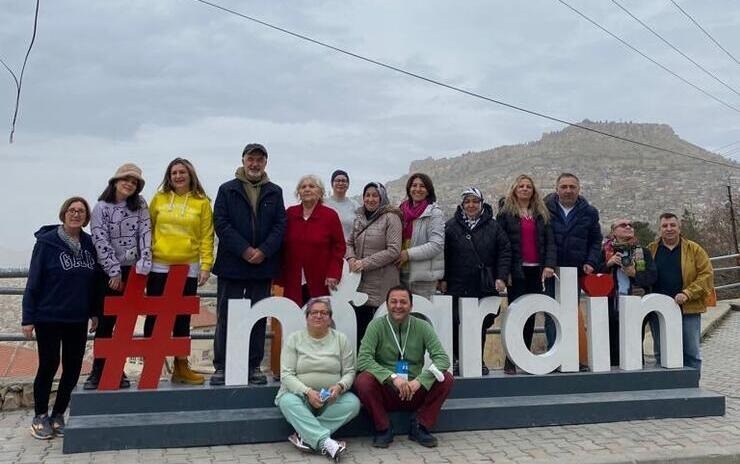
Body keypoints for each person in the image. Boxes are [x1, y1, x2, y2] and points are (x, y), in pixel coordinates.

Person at [22, 197, 99, 439]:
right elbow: (34, 280)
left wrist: (94, 311)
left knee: (73, 368)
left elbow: (95, 282)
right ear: (64, 213)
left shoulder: (89, 244)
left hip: (77, 318)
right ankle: (40, 416)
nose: (76, 214)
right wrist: (28, 317)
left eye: (81, 211)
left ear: (86, 217)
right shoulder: (47, 243)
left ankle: (58, 414)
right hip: (49, 316)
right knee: (49, 365)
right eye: (72, 210)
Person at [211, 144, 286, 386]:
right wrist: (244, 249)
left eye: (259, 160)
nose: (255, 164)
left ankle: (253, 366)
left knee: (258, 317)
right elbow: (221, 223)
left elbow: (280, 226)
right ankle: (222, 366)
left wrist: (263, 251)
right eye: (250, 159)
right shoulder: (227, 190)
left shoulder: (275, 191)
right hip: (232, 263)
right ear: (243, 160)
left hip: (262, 266)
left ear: (266, 163)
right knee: (225, 315)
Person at [355, 285, 453, 449]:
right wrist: (393, 378)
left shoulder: (423, 327)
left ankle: (420, 426)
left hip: (415, 390)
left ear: (411, 305)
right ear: (386, 305)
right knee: (363, 380)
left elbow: (442, 359)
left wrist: (420, 381)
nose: (398, 306)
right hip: (387, 390)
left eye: (403, 302)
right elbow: (363, 359)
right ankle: (384, 428)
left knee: (446, 379)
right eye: (393, 302)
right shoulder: (376, 326)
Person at [144, 157, 214, 385]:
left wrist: (206, 266)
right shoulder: (159, 199)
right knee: (154, 316)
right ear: (168, 176)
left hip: (188, 266)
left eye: (182, 172)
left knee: (182, 318)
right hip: (159, 265)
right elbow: (147, 229)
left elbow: (207, 236)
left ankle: (181, 366)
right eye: (174, 172)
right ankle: (151, 365)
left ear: (190, 174)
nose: (178, 176)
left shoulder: (202, 202)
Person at [84, 163, 152, 390]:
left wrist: (145, 262)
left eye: (134, 182)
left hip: (134, 270)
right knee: (105, 323)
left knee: (125, 324)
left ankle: (117, 368)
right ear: (115, 181)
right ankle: (98, 370)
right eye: (126, 179)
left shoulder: (140, 205)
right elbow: (100, 239)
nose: (129, 184)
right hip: (108, 271)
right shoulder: (101, 207)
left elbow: (145, 232)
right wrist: (113, 270)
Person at [275, 297, 360, 461]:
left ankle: (305, 436)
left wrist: (340, 387)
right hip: (301, 396)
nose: (319, 316)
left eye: (324, 313)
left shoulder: (341, 339)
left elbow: (350, 371)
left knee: (353, 403)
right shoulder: (295, 339)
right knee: (287, 401)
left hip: (331, 398)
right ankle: (326, 442)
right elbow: (286, 374)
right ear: (307, 317)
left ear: (330, 318)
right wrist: (307, 392)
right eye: (314, 312)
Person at [440, 187, 510, 376]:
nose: (471, 205)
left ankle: (476, 359)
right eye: (467, 202)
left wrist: (501, 277)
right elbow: (443, 255)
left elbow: (504, 252)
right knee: (456, 322)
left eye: (475, 201)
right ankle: (456, 359)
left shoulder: (494, 227)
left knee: (481, 324)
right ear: (462, 205)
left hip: (484, 284)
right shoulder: (450, 226)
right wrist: (443, 279)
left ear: (481, 203)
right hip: (457, 284)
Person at [497, 175, 556, 374]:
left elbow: (550, 242)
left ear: (533, 190)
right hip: (517, 272)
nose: (524, 189)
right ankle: (510, 359)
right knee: (514, 315)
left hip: (536, 272)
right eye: (521, 186)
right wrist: (506, 273)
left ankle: (525, 356)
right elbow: (503, 246)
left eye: (528, 186)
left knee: (530, 315)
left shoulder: (541, 213)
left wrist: (549, 265)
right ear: (514, 189)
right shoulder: (506, 213)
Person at [647, 212, 713, 372]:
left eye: (672, 225)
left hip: (688, 308)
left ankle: (693, 389)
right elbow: (643, 274)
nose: (669, 229)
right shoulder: (651, 249)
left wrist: (688, 293)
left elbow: (707, 275)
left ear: (679, 228)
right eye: (665, 226)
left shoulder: (694, 249)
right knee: (661, 354)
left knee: (691, 353)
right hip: (659, 311)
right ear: (659, 229)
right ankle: (665, 390)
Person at [544, 173, 602, 348]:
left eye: (572, 187)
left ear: (579, 189)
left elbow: (596, 240)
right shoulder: (544, 209)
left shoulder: (590, 212)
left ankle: (569, 353)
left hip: (574, 272)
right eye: (564, 187)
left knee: (571, 313)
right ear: (556, 189)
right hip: (550, 271)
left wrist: (591, 262)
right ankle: (553, 352)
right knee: (550, 313)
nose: (568, 190)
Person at [346, 182, 402, 343]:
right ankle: (362, 367)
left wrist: (364, 263)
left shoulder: (391, 218)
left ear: (382, 197)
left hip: (382, 283)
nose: (370, 199)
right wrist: (351, 258)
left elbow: (393, 250)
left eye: (374, 195)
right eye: (367, 195)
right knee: (360, 330)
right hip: (359, 284)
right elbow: (349, 243)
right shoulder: (359, 218)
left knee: (380, 331)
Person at [279, 175, 346, 306]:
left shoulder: (330, 215)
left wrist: (334, 272)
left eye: (312, 186)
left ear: (320, 191)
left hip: (320, 278)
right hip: (292, 277)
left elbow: (339, 247)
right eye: (303, 187)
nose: (307, 189)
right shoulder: (290, 214)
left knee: (318, 315)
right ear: (298, 192)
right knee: (293, 316)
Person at [599, 218, 656, 366]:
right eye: (623, 225)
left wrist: (634, 273)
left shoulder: (643, 252)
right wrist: (608, 264)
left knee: (634, 349)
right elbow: (593, 276)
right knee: (610, 347)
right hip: (610, 306)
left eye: (631, 225)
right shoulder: (603, 252)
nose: (628, 227)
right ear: (613, 232)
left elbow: (652, 277)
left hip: (635, 306)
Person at [396, 173, 445, 299]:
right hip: (400, 274)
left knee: (422, 316)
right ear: (409, 188)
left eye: (422, 186)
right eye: (414, 185)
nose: (417, 189)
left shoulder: (434, 213)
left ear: (428, 190)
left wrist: (408, 254)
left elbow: (436, 245)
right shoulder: (400, 211)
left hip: (424, 279)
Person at [323, 169, 359, 240]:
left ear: (348, 185)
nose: (340, 183)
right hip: (327, 247)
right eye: (337, 180)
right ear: (332, 184)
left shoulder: (355, 205)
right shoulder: (323, 203)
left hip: (348, 247)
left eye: (344, 181)